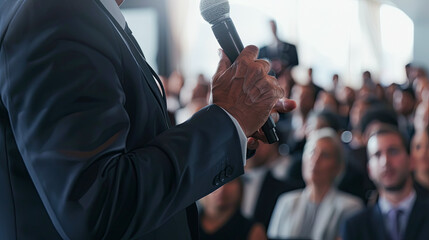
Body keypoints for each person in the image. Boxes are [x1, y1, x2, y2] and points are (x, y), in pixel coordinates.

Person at [0, 0, 294, 239]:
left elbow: (131, 152)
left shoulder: (87, 15)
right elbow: (98, 207)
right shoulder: (58, 14)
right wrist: (226, 121)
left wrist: (231, 129)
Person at [268, 128, 362, 240]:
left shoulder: (350, 207)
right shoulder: (285, 202)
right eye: (312, 152)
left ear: (337, 166)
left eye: (325, 155)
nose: (316, 160)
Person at [341, 126, 429, 240]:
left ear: (411, 161)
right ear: (369, 170)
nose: (385, 161)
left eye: (393, 151)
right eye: (377, 155)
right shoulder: (354, 227)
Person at [199, 178, 267, 240]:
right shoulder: (190, 224)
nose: (222, 188)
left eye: (229, 181)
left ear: (240, 186)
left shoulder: (254, 231)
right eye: (215, 181)